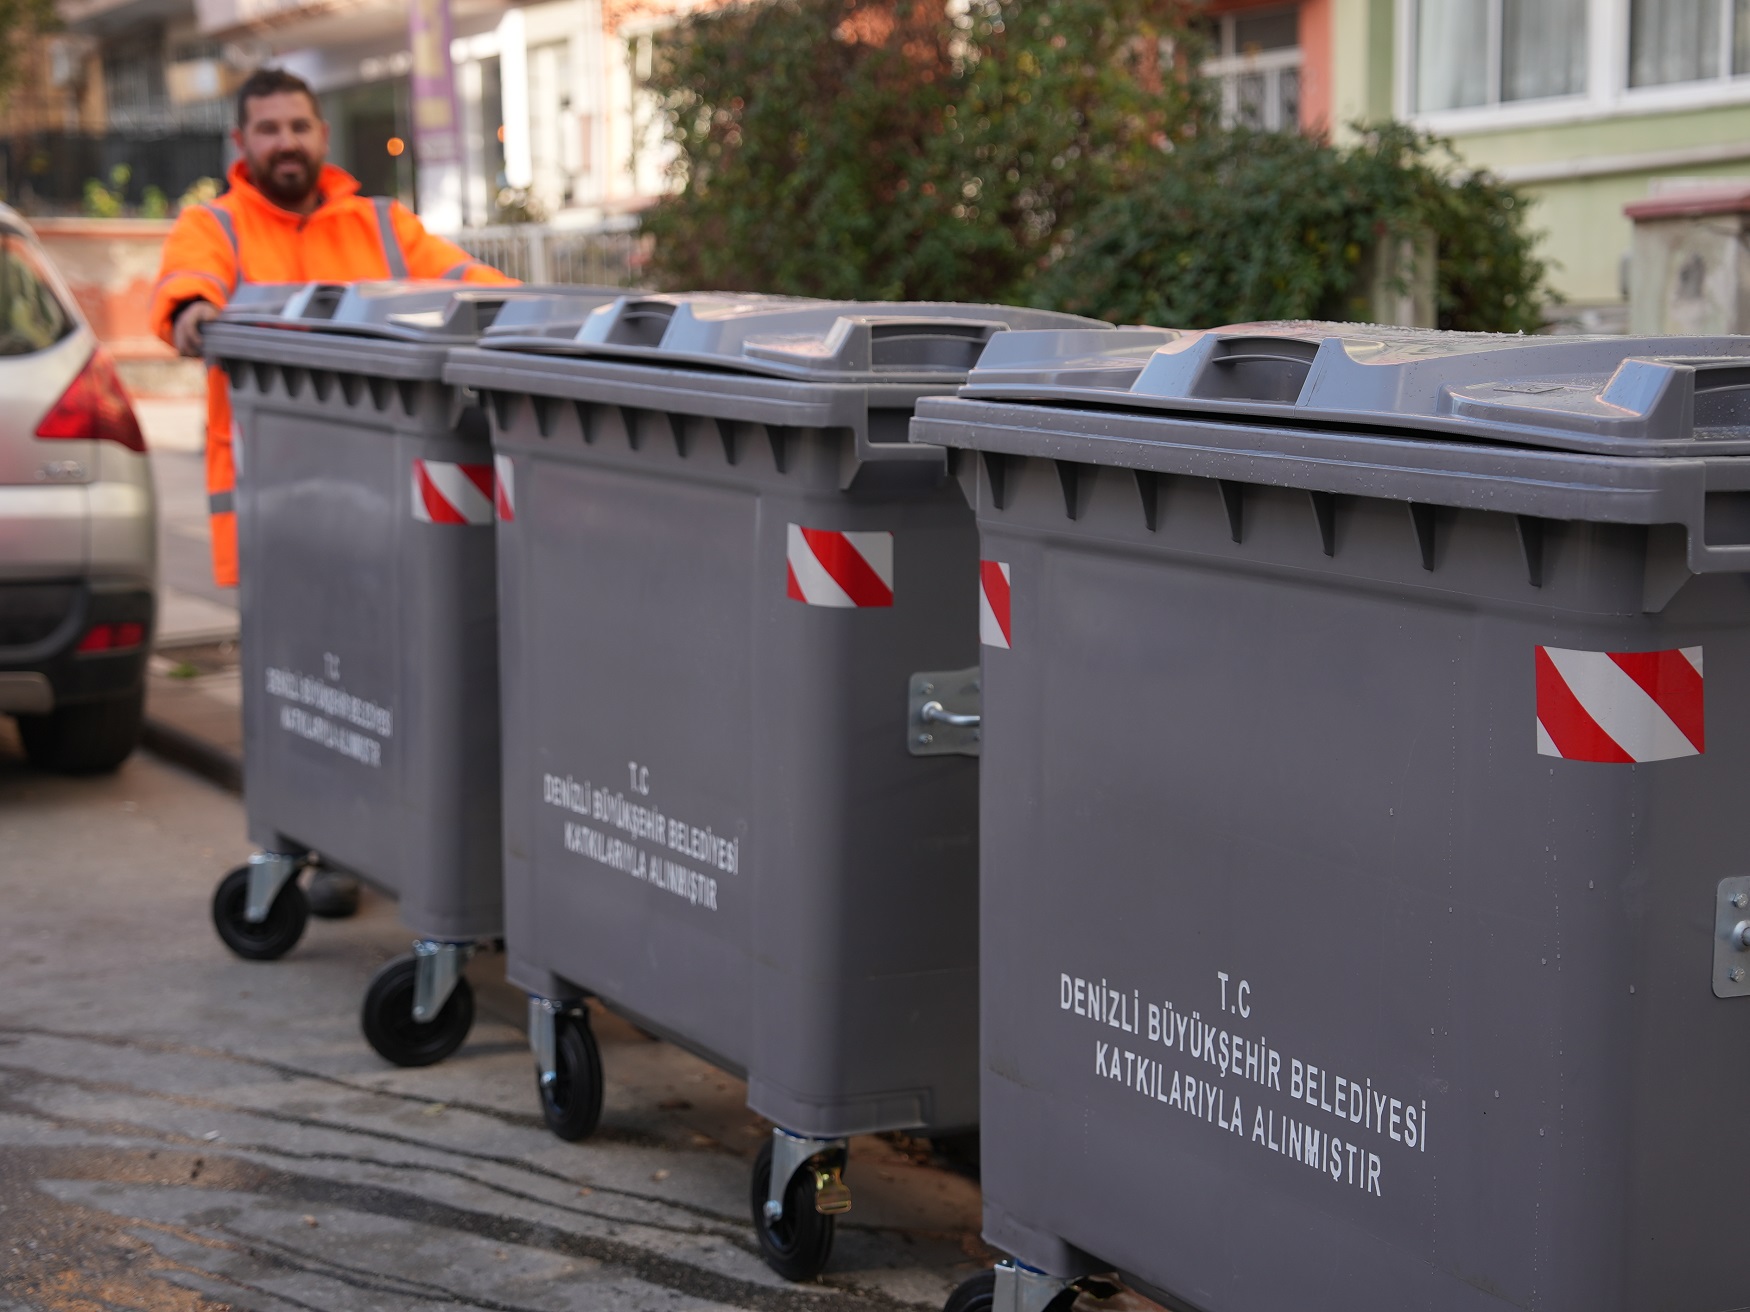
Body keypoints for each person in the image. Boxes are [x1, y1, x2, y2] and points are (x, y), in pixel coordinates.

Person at [152, 67, 513, 917]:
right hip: (277, 514)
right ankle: (319, 840)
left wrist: (543, 318)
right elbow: (184, 290)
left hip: (381, 518)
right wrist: (199, 315)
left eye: (299, 126)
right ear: (242, 145)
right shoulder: (218, 226)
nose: (286, 142)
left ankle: (353, 851)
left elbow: (475, 282)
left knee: (375, 690)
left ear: (322, 134)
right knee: (302, 690)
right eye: (268, 129)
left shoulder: (382, 226)